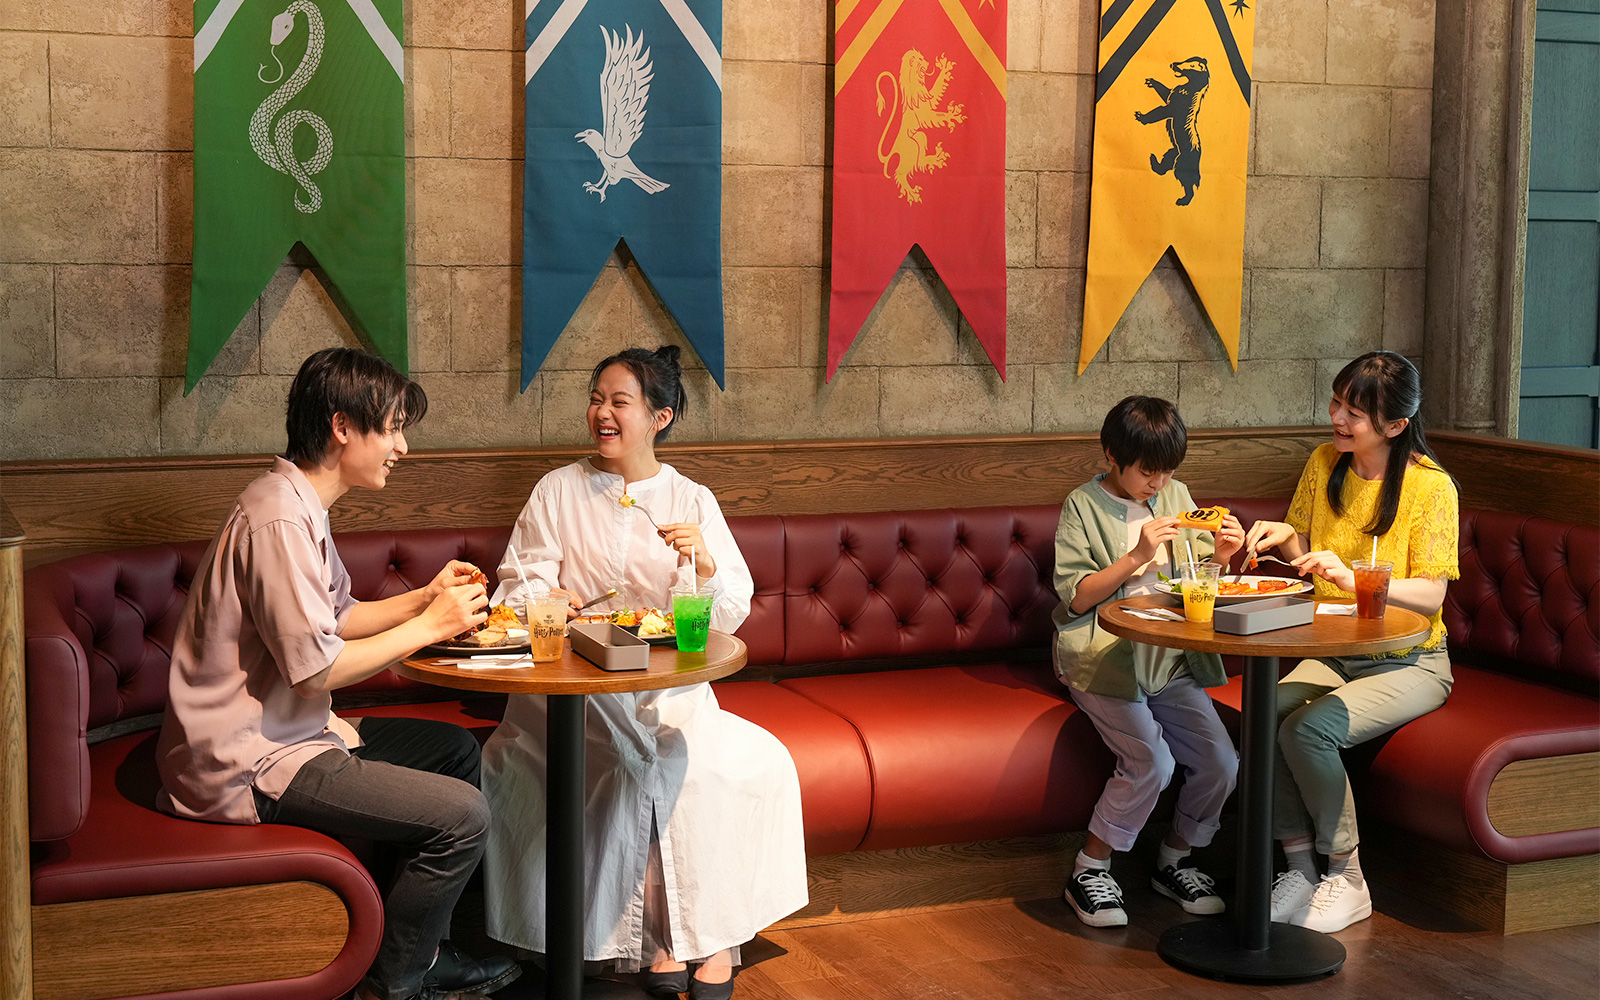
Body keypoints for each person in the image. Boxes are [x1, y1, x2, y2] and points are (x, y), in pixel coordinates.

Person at [155, 348, 521, 1000]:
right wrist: (432, 624)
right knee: (463, 815)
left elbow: (340, 615)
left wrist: (423, 594)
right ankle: (392, 982)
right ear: (343, 428)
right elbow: (314, 672)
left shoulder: (300, 505)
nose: (403, 447)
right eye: (392, 428)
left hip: (291, 735)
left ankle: (428, 948)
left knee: (457, 751)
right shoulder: (276, 518)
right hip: (249, 757)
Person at [481, 346, 807, 1000]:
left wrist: (706, 563)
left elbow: (731, 614)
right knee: (631, 762)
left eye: (618, 401)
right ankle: (665, 940)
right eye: (597, 398)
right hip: (570, 684)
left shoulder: (691, 499)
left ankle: (706, 941)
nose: (601, 413)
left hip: (670, 682)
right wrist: (550, 602)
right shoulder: (558, 490)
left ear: (659, 417)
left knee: (718, 763)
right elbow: (513, 591)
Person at [1245, 351, 1458, 933]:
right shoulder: (1324, 462)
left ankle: (1347, 874)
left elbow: (1433, 597)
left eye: (1355, 413)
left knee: (1306, 728)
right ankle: (1298, 869)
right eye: (1337, 403)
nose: (1338, 419)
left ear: (1395, 425)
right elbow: (1313, 560)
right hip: (1334, 649)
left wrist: (1357, 577)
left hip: (1410, 661)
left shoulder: (1430, 488)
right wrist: (1290, 542)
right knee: (1262, 716)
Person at [1051, 395, 1244, 928]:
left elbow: (1198, 579)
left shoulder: (1178, 495)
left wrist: (1223, 558)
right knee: (1151, 762)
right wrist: (1135, 557)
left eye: (1167, 472)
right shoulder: (1082, 506)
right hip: (1102, 656)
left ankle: (1174, 859)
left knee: (1222, 763)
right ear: (1112, 455)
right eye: (1147, 471)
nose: (1157, 484)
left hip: (1169, 657)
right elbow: (1078, 597)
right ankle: (1090, 868)